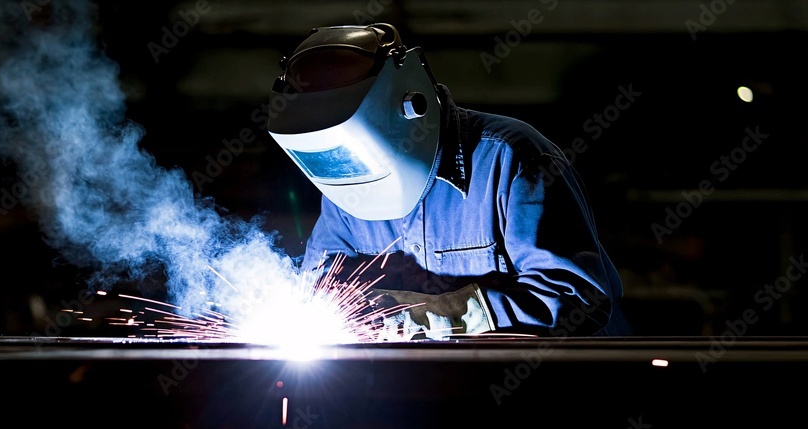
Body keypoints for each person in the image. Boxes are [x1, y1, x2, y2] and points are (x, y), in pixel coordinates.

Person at [267, 23, 631, 339]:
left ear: (411, 106)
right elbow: (322, 290)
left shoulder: (511, 158)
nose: (347, 173)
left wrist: (419, 321)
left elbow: (577, 297)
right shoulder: (344, 186)